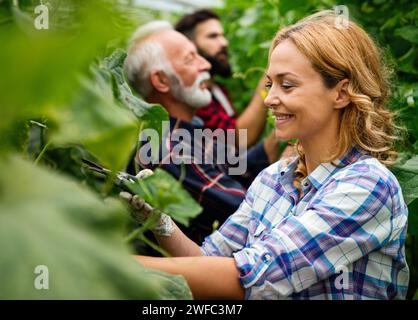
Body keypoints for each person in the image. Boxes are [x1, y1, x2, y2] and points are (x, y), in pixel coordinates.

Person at [126, 10, 409, 299]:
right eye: (270, 84)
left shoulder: (367, 184)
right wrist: (164, 224)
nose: (270, 99)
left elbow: (253, 278)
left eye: (287, 85)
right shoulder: (271, 179)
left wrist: (118, 267)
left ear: (341, 93)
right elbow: (207, 259)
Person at [123, 21, 280, 243]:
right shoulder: (170, 152)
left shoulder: (188, 129)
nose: (206, 64)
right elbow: (250, 213)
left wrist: (287, 132)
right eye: (190, 59)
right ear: (161, 80)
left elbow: (237, 165)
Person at [175, 9, 269, 148]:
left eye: (222, 35)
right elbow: (237, 142)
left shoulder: (218, 89)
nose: (224, 43)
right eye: (213, 36)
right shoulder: (192, 96)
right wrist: (268, 80)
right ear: (190, 46)